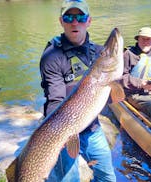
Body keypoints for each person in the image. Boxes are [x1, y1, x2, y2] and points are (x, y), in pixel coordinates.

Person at [39, 0, 116, 181]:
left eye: (80, 17)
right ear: (61, 21)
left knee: (107, 178)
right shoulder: (52, 56)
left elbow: (112, 96)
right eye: (69, 17)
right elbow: (55, 101)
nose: (75, 22)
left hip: (91, 128)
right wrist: (59, 135)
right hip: (61, 132)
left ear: (88, 21)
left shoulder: (98, 53)